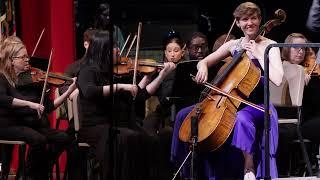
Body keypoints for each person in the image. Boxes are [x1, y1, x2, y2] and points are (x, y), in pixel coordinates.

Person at [171, 2, 284, 179]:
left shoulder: (271, 46)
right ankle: (187, 172)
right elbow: (204, 61)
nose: (249, 23)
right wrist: (203, 67)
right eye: (244, 19)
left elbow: (277, 79)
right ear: (238, 23)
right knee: (184, 115)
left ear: (260, 19)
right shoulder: (234, 45)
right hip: (230, 100)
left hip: (259, 105)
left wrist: (259, 54)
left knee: (241, 118)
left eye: (253, 18)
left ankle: (248, 166)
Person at [76, 30, 176, 179]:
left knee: (152, 140)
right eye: (113, 47)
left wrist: (159, 76)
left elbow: (139, 95)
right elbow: (90, 91)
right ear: (102, 50)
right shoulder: (87, 71)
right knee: (126, 138)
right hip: (97, 126)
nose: (117, 50)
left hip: (121, 124)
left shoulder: (115, 72)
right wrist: (120, 87)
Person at [0, 36, 77, 180]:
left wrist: (68, 91)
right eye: (23, 57)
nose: (27, 60)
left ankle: (40, 171)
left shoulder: (33, 81)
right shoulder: (3, 78)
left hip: (28, 122)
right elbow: (4, 100)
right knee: (39, 139)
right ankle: (30, 174)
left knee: (63, 138)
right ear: (11, 60)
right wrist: (29, 104)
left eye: (27, 56)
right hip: (9, 123)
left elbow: (48, 107)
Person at [278, 32, 320, 176]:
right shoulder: (278, 69)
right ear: (286, 49)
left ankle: (311, 165)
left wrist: (310, 83)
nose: (300, 51)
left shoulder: (307, 72)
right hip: (287, 121)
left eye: (303, 48)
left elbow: (314, 104)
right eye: (296, 47)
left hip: (304, 120)